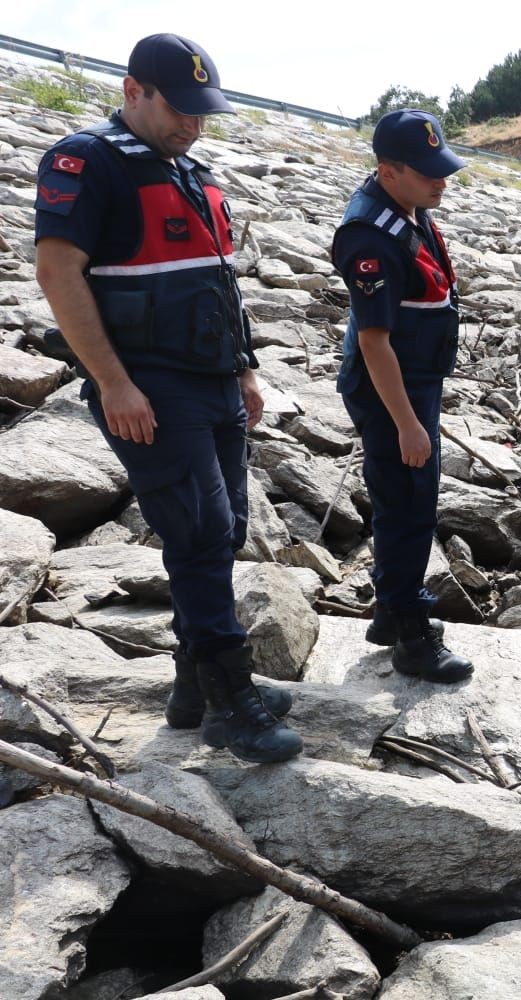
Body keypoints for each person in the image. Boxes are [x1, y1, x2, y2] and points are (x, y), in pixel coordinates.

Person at [32, 34, 300, 763]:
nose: (192, 124)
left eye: (202, 113)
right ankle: (229, 702)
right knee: (198, 530)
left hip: (213, 378)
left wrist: (244, 370)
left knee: (227, 526)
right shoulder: (85, 161)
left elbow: (219, 281)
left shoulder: (189, 172)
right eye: (179, 109)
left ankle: (193, 686)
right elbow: (58, 273)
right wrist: (114, 382)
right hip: (150, 382)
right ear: (132, 91)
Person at [331, 110, 473, 683]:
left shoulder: (406, 210)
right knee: (410, 505)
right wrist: (408, 423)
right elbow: (373, 341)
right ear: (388, 172)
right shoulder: (370, 236)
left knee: (402, 499)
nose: (443, 181)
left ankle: (389, 611)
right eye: (428, 172)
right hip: (393, 389)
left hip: (416, 381)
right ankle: (413, 636)